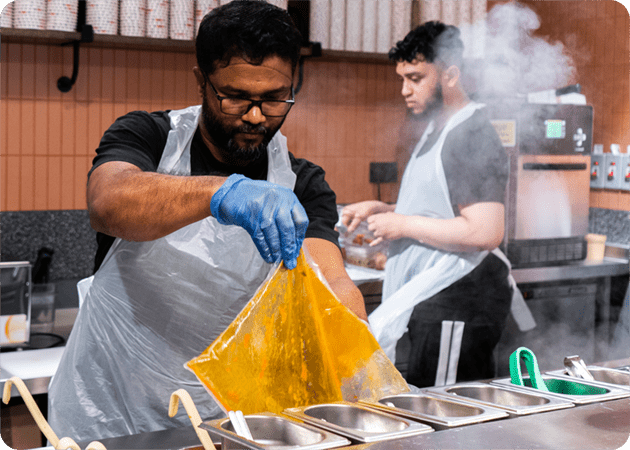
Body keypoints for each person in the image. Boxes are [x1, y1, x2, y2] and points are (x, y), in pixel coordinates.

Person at [48, 0, 366, 441]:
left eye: (274, 98)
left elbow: (330, 284)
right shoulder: (149, 137)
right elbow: (108, 202)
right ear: (201, 81)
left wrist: (357, 363)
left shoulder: (301, 183)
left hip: (226, 427)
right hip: (113, 419)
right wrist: (222, 191)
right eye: (235, 96)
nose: (255, 116)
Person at [341, 21, 512, 388]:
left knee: (451, 420)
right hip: (435, 296)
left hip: (461, 298)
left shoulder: (470, 133)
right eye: (402, 78)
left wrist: (401, 225)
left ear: (450, 74)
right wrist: (384, 210)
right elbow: (441, 211)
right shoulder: (438, 128)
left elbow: (485, 231)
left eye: (416, 78)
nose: (405, 90)